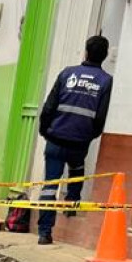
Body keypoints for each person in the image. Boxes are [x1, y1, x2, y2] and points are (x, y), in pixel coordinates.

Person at [36, 35, 114, 245]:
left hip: (55, 139)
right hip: (79, 142)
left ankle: (44, 233)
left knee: (50, 186)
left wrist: (45, 131)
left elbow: (49, 106)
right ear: (105, 56)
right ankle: (72, 203)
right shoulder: (106, 81)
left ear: (86, 52)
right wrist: (88, 136)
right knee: (77, 169)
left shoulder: (67, 73)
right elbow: (100, 117)